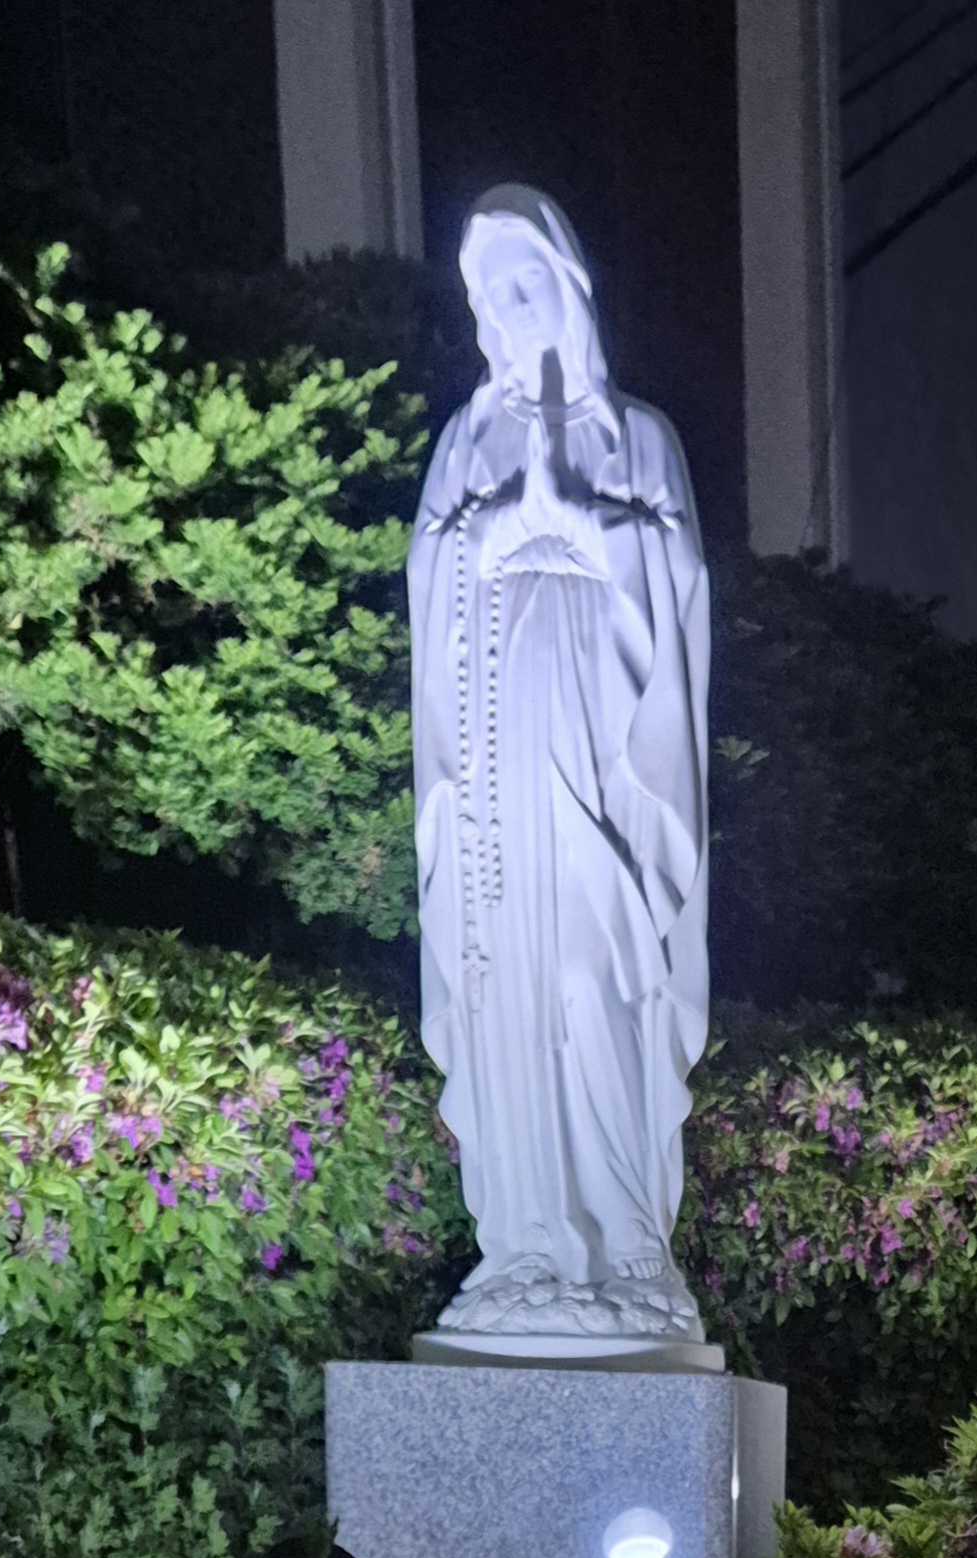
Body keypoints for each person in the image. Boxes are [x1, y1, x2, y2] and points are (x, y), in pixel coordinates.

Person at [409, 189, 713, 1356]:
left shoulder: (638, 439)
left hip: (600, 756)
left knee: (596, 975)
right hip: (494, 770)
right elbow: (431, 578)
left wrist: (583, 531)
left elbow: (679, 592)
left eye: (524, 282)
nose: (507, 309)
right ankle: (526, 1244)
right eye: (488, 295)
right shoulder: (464, 441)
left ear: (569, 285)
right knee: (514, 991)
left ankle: (627, 1242)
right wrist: (498, 536)